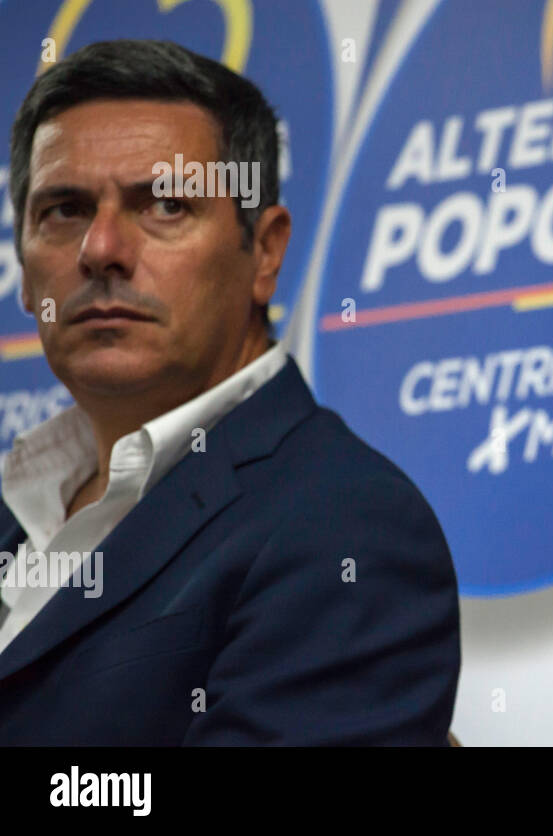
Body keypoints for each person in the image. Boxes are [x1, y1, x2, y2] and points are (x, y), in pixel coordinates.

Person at [0, 39, 460, 744]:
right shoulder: (16, 503)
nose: (100, 249)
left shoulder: (349, 526)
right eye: (63, 209)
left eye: (164, 205)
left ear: (265, 252)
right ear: (26, 275)